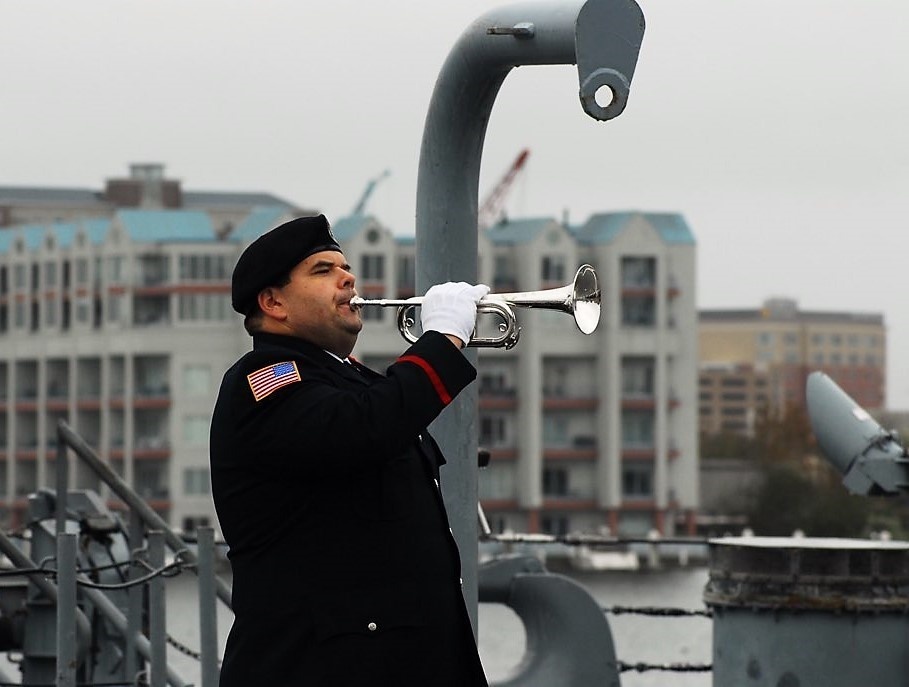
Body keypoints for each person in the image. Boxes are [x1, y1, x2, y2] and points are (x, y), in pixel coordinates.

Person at [209, 214, 490, 686]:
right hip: (321, 666)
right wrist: (442, 340)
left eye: (345, 267)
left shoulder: (347, 378)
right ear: (273, 301)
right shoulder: (265, 380)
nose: (348, 278)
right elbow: (366, 427)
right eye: (323, 271)